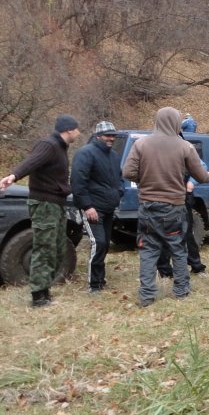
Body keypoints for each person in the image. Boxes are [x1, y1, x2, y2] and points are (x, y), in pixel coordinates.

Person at [121, 107, 209, 307]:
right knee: (178, 249)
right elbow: (202, 177)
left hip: (147, 208)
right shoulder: (185, 147)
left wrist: (144, 178)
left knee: (148, 251)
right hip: (174, 208)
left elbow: (127, 172)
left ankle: (146, 296)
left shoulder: (141, 144)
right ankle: (181, 291)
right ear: (176, 123)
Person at [0, 114, 82, 308]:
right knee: (44, 248)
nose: (79, 133)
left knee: (56, 247)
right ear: (68, 130)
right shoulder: (49, 145)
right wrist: (13, 175)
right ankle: (38, 297)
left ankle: (45, 290)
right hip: (45, 204)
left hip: (56, 203)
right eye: (77, 129)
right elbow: (31, 162)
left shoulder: (60, 147)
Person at [70, 121, 123, 293]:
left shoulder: (114, 156)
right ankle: (94, 284)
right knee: (98, 243)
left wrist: (119, 192)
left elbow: (119, 178)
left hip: (109, 208)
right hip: (93, 208)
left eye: (113, 135)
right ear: (98, 136)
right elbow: (78, 183)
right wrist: (87, 206)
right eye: (108, 135)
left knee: (105, 244)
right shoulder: (85, 153)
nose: (111, 138)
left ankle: (100, 280)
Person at [157, 114, 207, 277]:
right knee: (163, 234)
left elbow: (201, 165)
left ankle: (196, 265)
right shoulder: (156, 145)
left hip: (182, 196)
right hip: (162, 196)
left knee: (186, 232)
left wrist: (192, 181)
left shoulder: (184, 144)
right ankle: (164, 270)